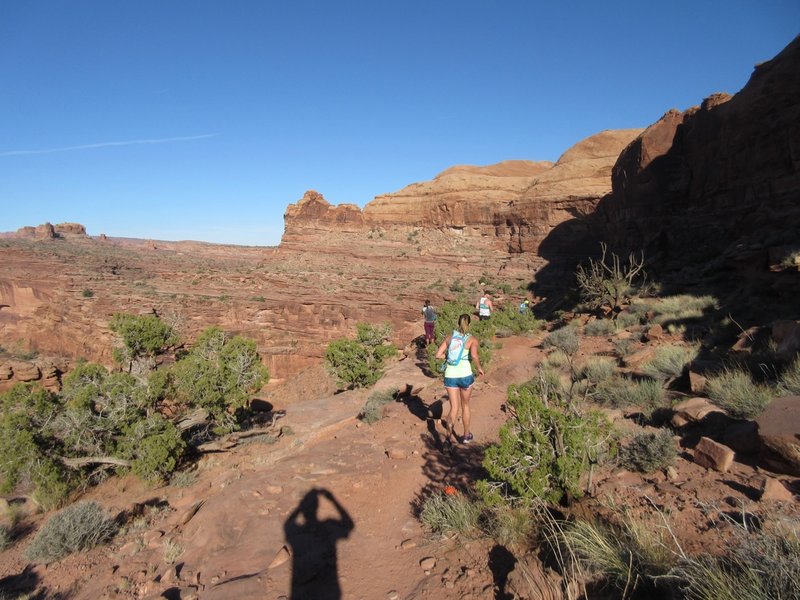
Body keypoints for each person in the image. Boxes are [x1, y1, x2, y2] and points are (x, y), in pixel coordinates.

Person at [435, 313, 484, 446]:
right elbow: (474, 355)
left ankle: (448, 440)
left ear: (458, 323)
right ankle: (466, 435)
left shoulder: (450, 338)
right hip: (465, 375)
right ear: (469, 324)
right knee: (465, 405)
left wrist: (448, 358)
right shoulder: (472, 339)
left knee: (453, 408)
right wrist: (479, 367)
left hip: (450, 375)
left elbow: (438, 355)